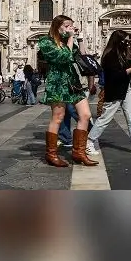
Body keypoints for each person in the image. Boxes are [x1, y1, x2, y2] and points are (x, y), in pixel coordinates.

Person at [38, 15, 98, 167]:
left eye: (71, 25)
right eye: (66, 26)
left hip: (73, 82)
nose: (69, 28)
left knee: (85, 115)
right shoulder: (46, 42)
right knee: (58, 117)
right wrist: (70, 38)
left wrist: (80, 39)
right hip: (57, 82)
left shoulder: (69, 41)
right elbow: (64, 57)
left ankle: (79, 152)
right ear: (57, 27)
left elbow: (83, 58)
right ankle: (51, 154)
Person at [87, 29, 131, 156]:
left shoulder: (121, 54)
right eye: (125, 40)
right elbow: (116, 75)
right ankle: (89, 142)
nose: (127, 43)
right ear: (118, 41)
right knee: (105, 118)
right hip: (114, 90)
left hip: (126, 89)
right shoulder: (110, 56)